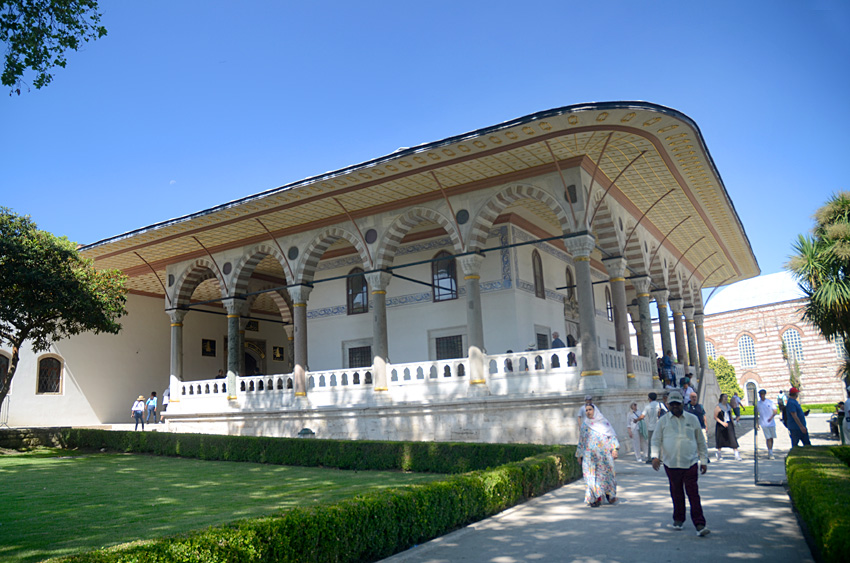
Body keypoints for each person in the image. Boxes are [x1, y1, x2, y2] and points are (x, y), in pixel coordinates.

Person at [651, 390, 710, 537]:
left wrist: (703, 460)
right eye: (672, 404)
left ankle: (700, 524)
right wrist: (654, 457)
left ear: (682, 403)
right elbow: (656, 440)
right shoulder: (663, 421)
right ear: (668, 405)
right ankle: (678, 519)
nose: (675, 407)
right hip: (671, 463)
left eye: (678, 404)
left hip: (690, 462)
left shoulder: (693, 419)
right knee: (676, 493)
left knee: (693, 494)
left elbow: (701, 441)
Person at [576, 403, 619, 507]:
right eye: (586, 410)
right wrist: (579, 454)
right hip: (589, 456)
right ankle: (594, 498)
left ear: (595, 410)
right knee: (590, 476)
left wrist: (614, 449)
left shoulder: (604, 423)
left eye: (590, 409)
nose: (588, 412)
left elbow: (611, 436)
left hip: (603, 455)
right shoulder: (585, 425)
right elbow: (581, 440)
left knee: (606, 475)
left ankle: (609, 495)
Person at [714, 393, 741, 460]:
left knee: (733, 438)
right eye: (724, 397)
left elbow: (730, 415)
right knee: (720, 439)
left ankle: (736, 454)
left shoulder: (728, 406)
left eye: (726, 397)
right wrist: (722, 423)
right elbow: (715, 417)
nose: (726, 398)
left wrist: (733, 422)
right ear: (721, 398)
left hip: (729, 423)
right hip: (721, 425)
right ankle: (719, 454)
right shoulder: (718, 407)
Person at [637, 392, 663, 463]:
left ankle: (650, 458)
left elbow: (642, 416)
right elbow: (666, 412)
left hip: (651, 427)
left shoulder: (648, 406)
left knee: (651, 443)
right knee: (658, 442)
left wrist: (636, 420)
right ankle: (659, 458)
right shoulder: (660, 405)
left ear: (649, 398)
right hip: (659, 427)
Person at [756, 389, 778, 458]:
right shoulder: (758, 404)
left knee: (771, 438)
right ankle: (770, 452)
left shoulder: (770, 402)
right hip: (763, 423)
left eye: (762, 394)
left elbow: (775, 411)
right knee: (768, 438)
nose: (761, 395)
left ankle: (770, 449)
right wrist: (757, 423)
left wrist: (771, 417)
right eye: (760, 394)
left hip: (771, 423)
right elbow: (756, 414)